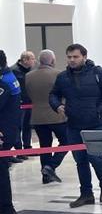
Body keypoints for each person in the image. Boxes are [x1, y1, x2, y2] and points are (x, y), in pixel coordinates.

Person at [49, 44, 102, 207]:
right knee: (80, 160)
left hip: (97, 123)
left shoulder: (100, 73)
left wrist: (100, 110)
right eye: (69, 57)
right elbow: (53, 94)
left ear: (84, 57)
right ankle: (86, 194)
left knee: (96, 157)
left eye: (75, 57)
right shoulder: (63, 77)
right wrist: (57, 105)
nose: (72, 60)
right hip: (74, 124)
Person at [27, 50, 68, 185]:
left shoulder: (29, 76)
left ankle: (46, 176)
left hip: (37, 116)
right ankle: (51, 166)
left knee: (45, 145)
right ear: (52, 60)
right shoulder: (58, 74)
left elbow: (28, 94)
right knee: (66, 141)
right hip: (56, 114)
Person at [0, 49, 21, 214]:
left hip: (3, 133)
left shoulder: (4, 82)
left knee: (1, 172)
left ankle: (6, 210)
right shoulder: (8, 77)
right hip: (8, 130)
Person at [11, 51, 34, 157]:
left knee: (27, 126)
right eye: (32, 59)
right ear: (25, 60)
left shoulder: (31, 70)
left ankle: (27, 147)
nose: (34, 61)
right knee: (18, 126)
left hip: (29, 102)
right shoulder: (14, 71)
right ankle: (19, 150)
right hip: (18, 103)